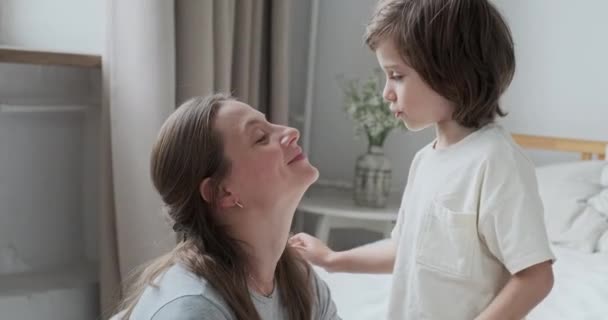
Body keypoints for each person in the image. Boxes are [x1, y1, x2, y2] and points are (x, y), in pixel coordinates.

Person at [290, 1, 555, 319]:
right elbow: (406, 249)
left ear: (451, 73)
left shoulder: (496, 161)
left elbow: (535, 277)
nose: (386, 92)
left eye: (397, 76)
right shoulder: (424, 161)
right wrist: (334, 259)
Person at [116, 94, 340, 320]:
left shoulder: (301, 282)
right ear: (222, 192)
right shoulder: (194, 308)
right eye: (261, 137)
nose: (291, 132)